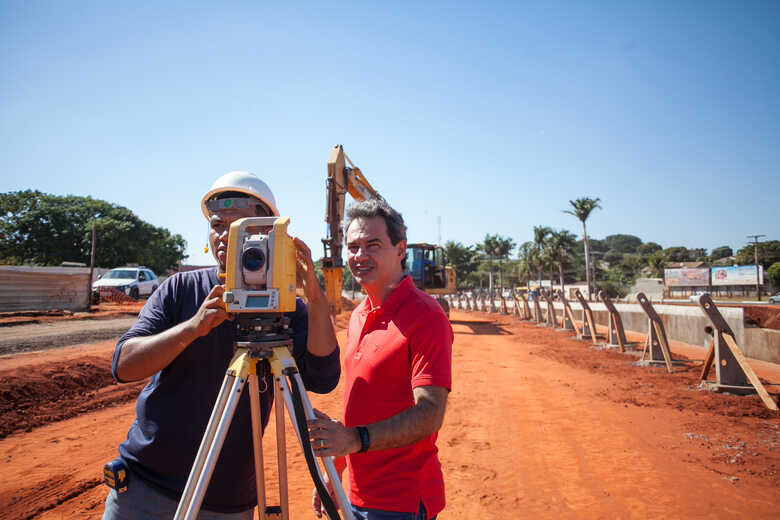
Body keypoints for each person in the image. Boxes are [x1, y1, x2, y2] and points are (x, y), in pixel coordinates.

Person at [102, 171, 341, 519]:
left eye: (240, 224)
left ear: (269, 232)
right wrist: (192, 328)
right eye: (217, 225)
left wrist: (316, 301)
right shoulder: (179, 289)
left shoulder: (289, 305)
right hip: (145, 490)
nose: (225, 235)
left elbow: (323, 378)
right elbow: (124, 365)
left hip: (228, 504)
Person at [308, 199, 453, 520]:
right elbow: (359, 404)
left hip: (400, 501)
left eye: (373, 245)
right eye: (353, 247)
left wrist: (353, 440)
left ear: (401, 249)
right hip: (358, 495)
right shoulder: (359, 315)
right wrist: (337, 472)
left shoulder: (426, 316)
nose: (360, 256)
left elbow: (430, 413)